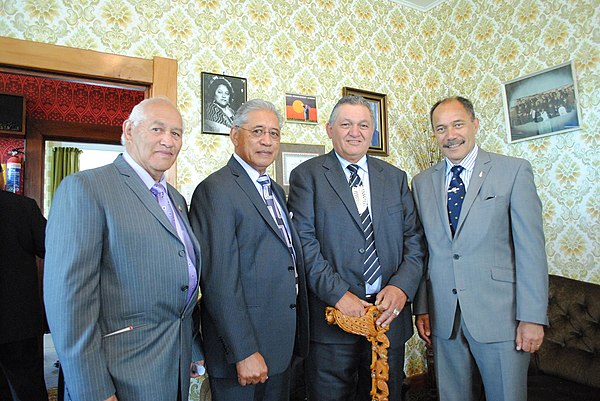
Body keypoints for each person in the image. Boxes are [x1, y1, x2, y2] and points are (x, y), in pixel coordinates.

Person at [44, 97, 203, 401]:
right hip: (119, 376)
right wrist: (93, 390)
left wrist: (192, 348)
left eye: (176, 133)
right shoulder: (86, 188)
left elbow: (183, 282)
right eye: (157, 129)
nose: (168, 141)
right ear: (129, 130)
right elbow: (69, 305)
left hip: (174, 367)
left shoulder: (176, 199)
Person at [287, 95, 425, 401]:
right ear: (329, 129)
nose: (355, 132)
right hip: (332, 322)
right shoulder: (306, 176)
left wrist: (401, 288)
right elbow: (303, 246)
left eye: (363, 125)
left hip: (388, 320)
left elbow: (414, 241)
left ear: (372, 130)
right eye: (346, 124)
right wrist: (338, 294)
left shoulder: (395, 178)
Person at [412, 96, 548, 401]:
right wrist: (422, 307)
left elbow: (531, 251)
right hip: (444, 318)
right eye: (441, 129)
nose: (450, 135)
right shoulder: (421, 183)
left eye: (458, 124)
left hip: (501, 316)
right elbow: (423, 250)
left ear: (474, 124)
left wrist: (532, 317)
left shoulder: (513, 171)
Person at [189, 99, 309, 401]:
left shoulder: (275, 190)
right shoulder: (215, 190)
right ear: (234, 135)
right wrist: (244, 351)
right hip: (242, 353)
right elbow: (218, 281)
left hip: (279, 344)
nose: (267, 141)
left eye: (274, 133)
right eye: (257, 131)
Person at [0, 167, 48, 401]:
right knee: (27, 388)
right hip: (18, 320)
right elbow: (53, 249)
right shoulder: (22, 208)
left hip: (18, 322)